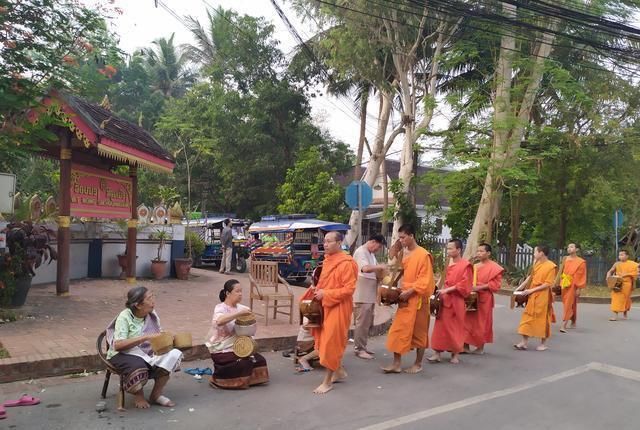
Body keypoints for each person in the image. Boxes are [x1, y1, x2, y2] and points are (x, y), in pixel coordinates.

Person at [105, 286, 182, 409]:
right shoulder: (125, 317)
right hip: (122, 354)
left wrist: (167, 336)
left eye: (153, 296)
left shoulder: (151, 314)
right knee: (139, 365)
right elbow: (118, 345)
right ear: (139, 305)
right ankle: (138, 395)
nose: (153, 301)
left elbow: (157, 332)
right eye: (149, 298)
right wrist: (144, 337)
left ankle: (156, 395)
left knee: (173, 354)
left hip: (146, 352)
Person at [306, 231, 358, 394]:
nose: (325, 244)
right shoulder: (328, 260)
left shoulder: (346, 263)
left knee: (330, 343)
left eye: (329, 241)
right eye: (324, 241)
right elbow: (325, 282)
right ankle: (339, 371)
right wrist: (317, 289)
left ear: (339, 243)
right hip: (326, 306)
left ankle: (327, 382)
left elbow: (349, 289)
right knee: (324, 340)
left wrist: (326, 294)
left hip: (339, 307)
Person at [382, 224, 436, 374]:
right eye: (399, 237)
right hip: (405, 299)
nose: (401, 240)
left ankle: (418, 364)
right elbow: (400, 273)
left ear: (412, 236)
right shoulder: (405, 254)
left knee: (419, 333)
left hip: (418, 299)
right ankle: (396, 363)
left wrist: (411, 290)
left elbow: (426, 280)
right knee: (397, 331)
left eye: (403, 237)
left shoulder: (423, 255)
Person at [206, 279, 269, 389]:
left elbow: (250, 328)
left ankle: (248, 380)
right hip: (221, 347)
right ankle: (218, 380)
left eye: (241, 291)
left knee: (259, 360)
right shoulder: (220, 308)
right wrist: (238, 314)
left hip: (238, 346)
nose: (240, 294)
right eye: (237, 291)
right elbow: (219, 321)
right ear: (227, 293)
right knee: (242, 363)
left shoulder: (243, 308)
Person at [428, 239, 472, 364]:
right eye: (447, 248)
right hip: (444, 299)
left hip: (456, 299)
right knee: (440, 327)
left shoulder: (466, 265)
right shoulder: (448, 263)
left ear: (458, 250)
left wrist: (449, 290)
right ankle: (437, 353)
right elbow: (443, 279)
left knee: (456, 327)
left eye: (451, 248)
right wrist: (435, 288)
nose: (448, 251)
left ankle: (455, 354)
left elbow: (465, 284)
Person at [463, 243, 504, 354]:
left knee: (482, 323)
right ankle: (465, 346)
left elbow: (495, 285)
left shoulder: (495, 268)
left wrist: (479, 287)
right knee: (467, 320)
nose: (479, 253)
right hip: (472, 297)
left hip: (484, 298)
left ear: (488, 253)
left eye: (481, 251)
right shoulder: (475, 266)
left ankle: (480, 347)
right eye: (478, 251)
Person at [514, 245, 557, 351]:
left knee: (543, 320)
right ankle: (524, 342)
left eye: (535, 252)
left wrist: (531, 290)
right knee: (527, 317)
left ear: (541, 253)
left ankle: (543, 343)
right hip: (532, 295)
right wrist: (518, 289)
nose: (533, 254)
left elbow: (547, 284)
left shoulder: (551, 266)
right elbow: (530, 278)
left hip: (543, 296)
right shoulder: (536, 264)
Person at [352, 234, 387, 359]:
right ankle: (359, 349)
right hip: (362, 293)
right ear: (372, 241)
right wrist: (380, 267)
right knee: (362, 322)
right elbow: (365, 269)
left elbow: (376, 270)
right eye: (378, 247)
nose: (378, 250)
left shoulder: (371, 255)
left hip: (369, 293)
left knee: (368, 322)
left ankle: (363, 346)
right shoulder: (361, 252)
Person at [558, 243, 587, 332]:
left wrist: (579, 288)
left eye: (571, 247)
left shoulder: (581, 262)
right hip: (564, 283)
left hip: (573, 284)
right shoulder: (565, 259)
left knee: (568, 304)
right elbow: (560, 272)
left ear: (577, 249)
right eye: (568, 247)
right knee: (570, 303)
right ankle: (573, 320)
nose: (569, 248)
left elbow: (581, 275)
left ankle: (563, 325)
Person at [606, 249, 639, 321]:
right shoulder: (617, 264)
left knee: (626, 299)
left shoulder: (632, 264)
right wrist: (608, 276)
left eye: (622, 255)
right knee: (616, 298)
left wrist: (627, 274)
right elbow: (610, 270)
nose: (620, 256)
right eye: (619, 255)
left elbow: (637, 272)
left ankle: (625, 312)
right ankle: (615, 315)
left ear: (627, 256)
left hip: (627, 284)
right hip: (617, 282)